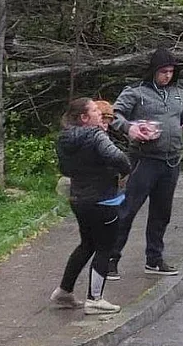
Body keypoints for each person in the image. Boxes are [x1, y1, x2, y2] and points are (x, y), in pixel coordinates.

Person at [107, 48, 183, 279]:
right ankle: (110, 259)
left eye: (170, 71)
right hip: (144, 160)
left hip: (171, 159)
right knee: (128, 210)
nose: (167, 76)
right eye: (163, 71)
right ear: (153, 71)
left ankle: (154, 259)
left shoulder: (180, 93)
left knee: (161, 212)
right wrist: (131, 128)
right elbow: (114, 116)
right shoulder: (136, 92)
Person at [51, 98, 132, 315]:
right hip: (103, 200)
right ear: (84, 118)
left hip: (79, 199)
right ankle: (95, 299)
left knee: (87, 244)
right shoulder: (95, 135)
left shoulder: (64, 138)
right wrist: (124, 171)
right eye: (95, 110)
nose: (100, 113)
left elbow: (65, 169)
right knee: (105, 246)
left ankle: (64, 292)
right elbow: (117, 157)